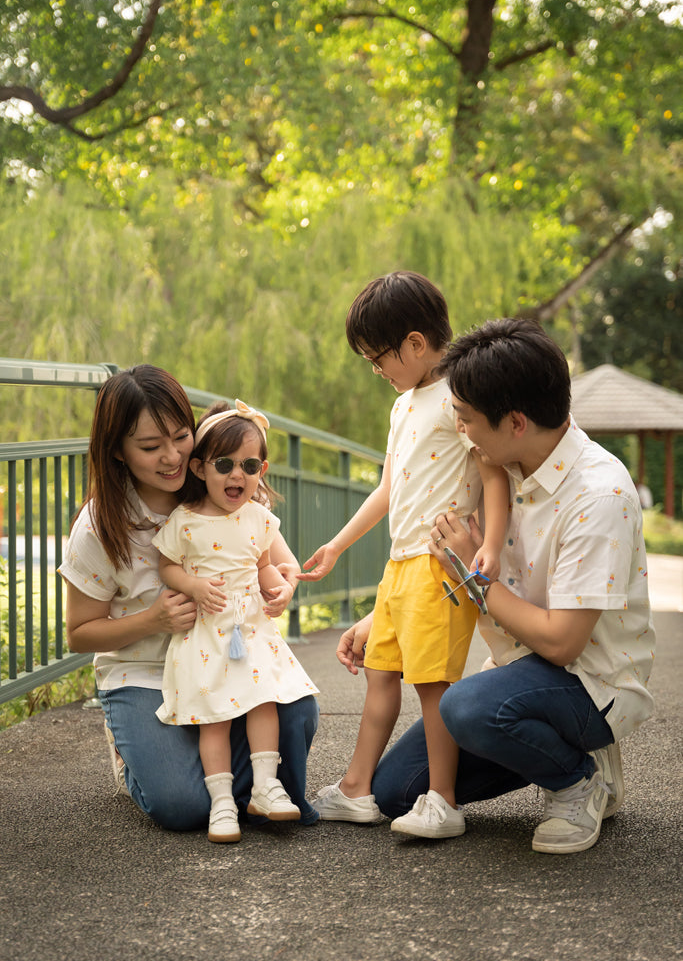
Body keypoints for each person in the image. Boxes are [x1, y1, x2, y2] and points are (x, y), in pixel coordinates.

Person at [338, 318, 656, 854]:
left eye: (464, 420)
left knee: (465, 708)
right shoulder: (499, 468)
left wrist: (470, 573)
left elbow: (561, 643)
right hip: (515, 673)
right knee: (398, 792)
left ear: (514, 422)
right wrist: (380, 618)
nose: (459, 431)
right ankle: (553, 749)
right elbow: (426, 554)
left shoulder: (599, 496)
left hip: (592, 682)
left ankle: (577, 781)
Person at [59, 365, 319, 833]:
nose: (172, 457)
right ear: (117, 450)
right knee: (182, 807)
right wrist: (153, 619)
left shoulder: (219, 488)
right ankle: (142, 761)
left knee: (296, 709)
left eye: (180, 437)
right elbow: (79, 633)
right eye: (150, 447)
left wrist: (282, 583)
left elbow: (280, 562)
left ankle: (236, 785)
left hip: (222, 658)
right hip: (142, 673)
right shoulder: (101, 524)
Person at [299, 272, 510, 838]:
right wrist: (338, 546)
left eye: (379, 359)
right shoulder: (403, 406)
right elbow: (390, 487)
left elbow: (492, 472)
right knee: (380, 674)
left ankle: (443, 800)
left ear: (415, 344)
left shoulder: (457, 397)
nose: (378, 371)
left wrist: (488, 546)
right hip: (400, 564)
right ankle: (357, 789)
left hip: (440, 565)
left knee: (432, 684)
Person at [153, 399, 319, 842]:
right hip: (208, 634)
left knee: (263, 701)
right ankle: (222, 801)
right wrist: (190, 585)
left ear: (261, 470)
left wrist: (279, 588)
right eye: (224, 464)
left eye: (249, 465)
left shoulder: (259, 519)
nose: (236, 475)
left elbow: (264, 565)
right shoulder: (184, 522)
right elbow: (166, 566)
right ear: (200, 468)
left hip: (250, 629)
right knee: (216, 717)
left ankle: (265, 785)